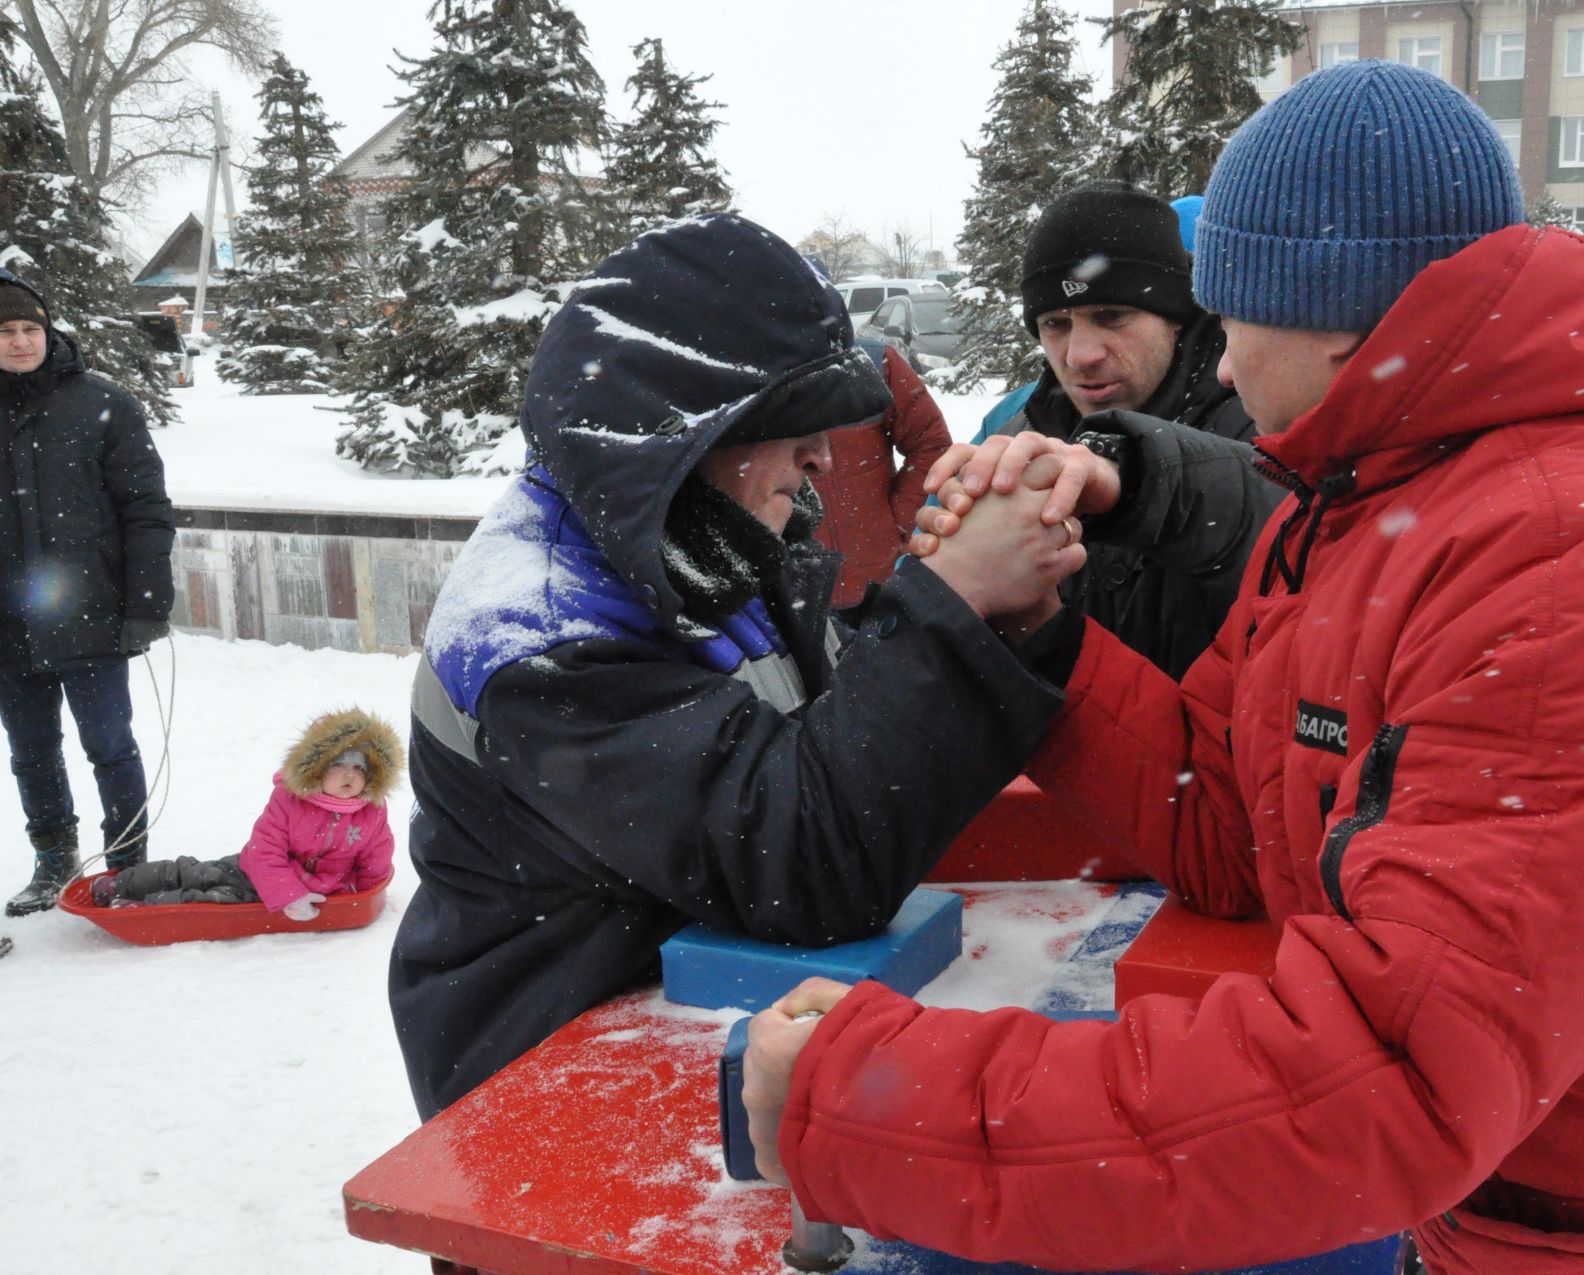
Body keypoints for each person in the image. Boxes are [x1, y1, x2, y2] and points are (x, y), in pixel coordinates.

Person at [743, 61, 1584, 1273]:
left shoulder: (1575, 555)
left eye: (1231, 315)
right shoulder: (1365, 508)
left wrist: (878, 1104)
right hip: (1538, 1218)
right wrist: (1036, 629)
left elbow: (1397, 1076)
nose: (1229, 360)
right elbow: (1224, 813)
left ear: (1330, 313)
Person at [390, 213, 1088, 1120]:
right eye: (795, 420)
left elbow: (831, 733)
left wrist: (996, 606)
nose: (823, 457)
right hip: (548, 1097)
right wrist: (953, 598)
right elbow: (801, 858)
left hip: (679, 1033)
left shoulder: (692, 542)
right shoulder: (540, 638)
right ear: (684, 429)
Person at [980, 179, 1279, 679]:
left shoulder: (1265, 420)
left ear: (1177, 316)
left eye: (1111, 316)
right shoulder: (1020, 438)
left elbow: (1292, 540)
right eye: (1055, 324)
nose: (1080, 356)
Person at [0, 269, 173, 917]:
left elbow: (146, 510)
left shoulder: (103, 403)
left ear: (48, 332)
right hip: (8, 625)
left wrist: (147, 603)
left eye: (29, 329)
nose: (20, 342)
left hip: (92, 614)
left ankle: (129, 861)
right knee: (32, 751)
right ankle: (53, 857)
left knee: (110, 743)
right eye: (7, 331)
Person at [91, 708, 399, 913]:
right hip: (255, 870)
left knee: (210, 902)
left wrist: (366, 897)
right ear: (316, 769)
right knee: (198, 873)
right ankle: (124, 883)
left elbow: (377, 856)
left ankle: (141, 908)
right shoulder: (290, 800)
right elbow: (265, 849)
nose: (349, 775)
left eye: (358, 768)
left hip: (315, 889)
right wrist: (288, 893)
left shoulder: (370, 812)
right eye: (338, 765)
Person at [810, 339, 952, 609]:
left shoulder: (871, 362)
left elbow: (930, 444)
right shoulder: (738, 371)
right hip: (785, 604)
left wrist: (900, 521)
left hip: (882, 583)